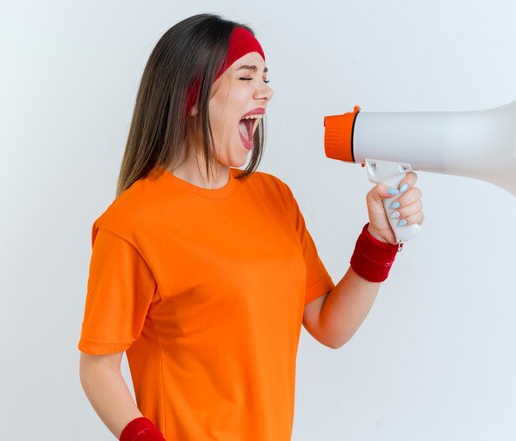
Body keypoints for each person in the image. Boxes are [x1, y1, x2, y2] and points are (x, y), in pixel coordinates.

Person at [78, 13, 424, 441]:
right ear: (192, 96)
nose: (267, 90)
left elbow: (330, 326)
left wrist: (380, 241)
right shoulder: (131, 224)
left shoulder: (274, 198)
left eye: (265, 76)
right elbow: (98, 365)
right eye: (247, 76)